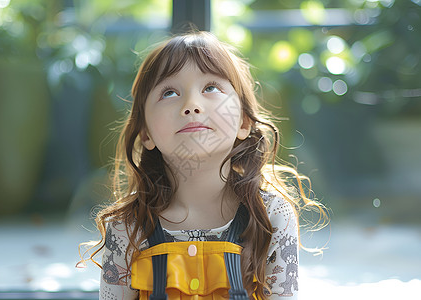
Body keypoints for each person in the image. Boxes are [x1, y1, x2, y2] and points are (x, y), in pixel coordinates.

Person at [79, 31, 327, 300]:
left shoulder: (271, 215)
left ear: (243, 122)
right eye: (169, 92)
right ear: (146, 134)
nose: (191, 105)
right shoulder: (127, 226)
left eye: (210, 88)